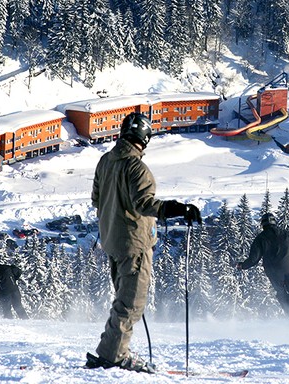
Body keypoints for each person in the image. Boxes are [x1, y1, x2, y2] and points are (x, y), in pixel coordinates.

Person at [86, 112, 202, 373]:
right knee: (132, 304)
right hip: (134, 244)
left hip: (112, 242)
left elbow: (96, 199)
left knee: (124, 301)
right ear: (145, 138)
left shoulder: (105, 161)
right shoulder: (136, 167)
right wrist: (177, 209)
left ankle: (112, 349)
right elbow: (144, 204)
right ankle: (113, 354)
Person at [236, 212, 289, 323]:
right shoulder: (285, 234)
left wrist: (242, 265)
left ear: (262, 224)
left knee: (282, 294)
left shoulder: (260, 239)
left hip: (274, 272)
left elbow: (254, 259)